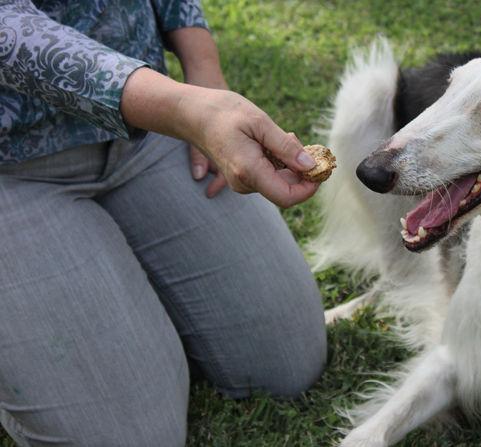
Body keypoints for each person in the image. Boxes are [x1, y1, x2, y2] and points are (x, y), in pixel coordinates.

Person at [0, 1, 327, 446]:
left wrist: (203, 67)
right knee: (131, 438)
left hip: (145, 133)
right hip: (12, 171)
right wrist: (187, 110)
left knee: (287, 360)